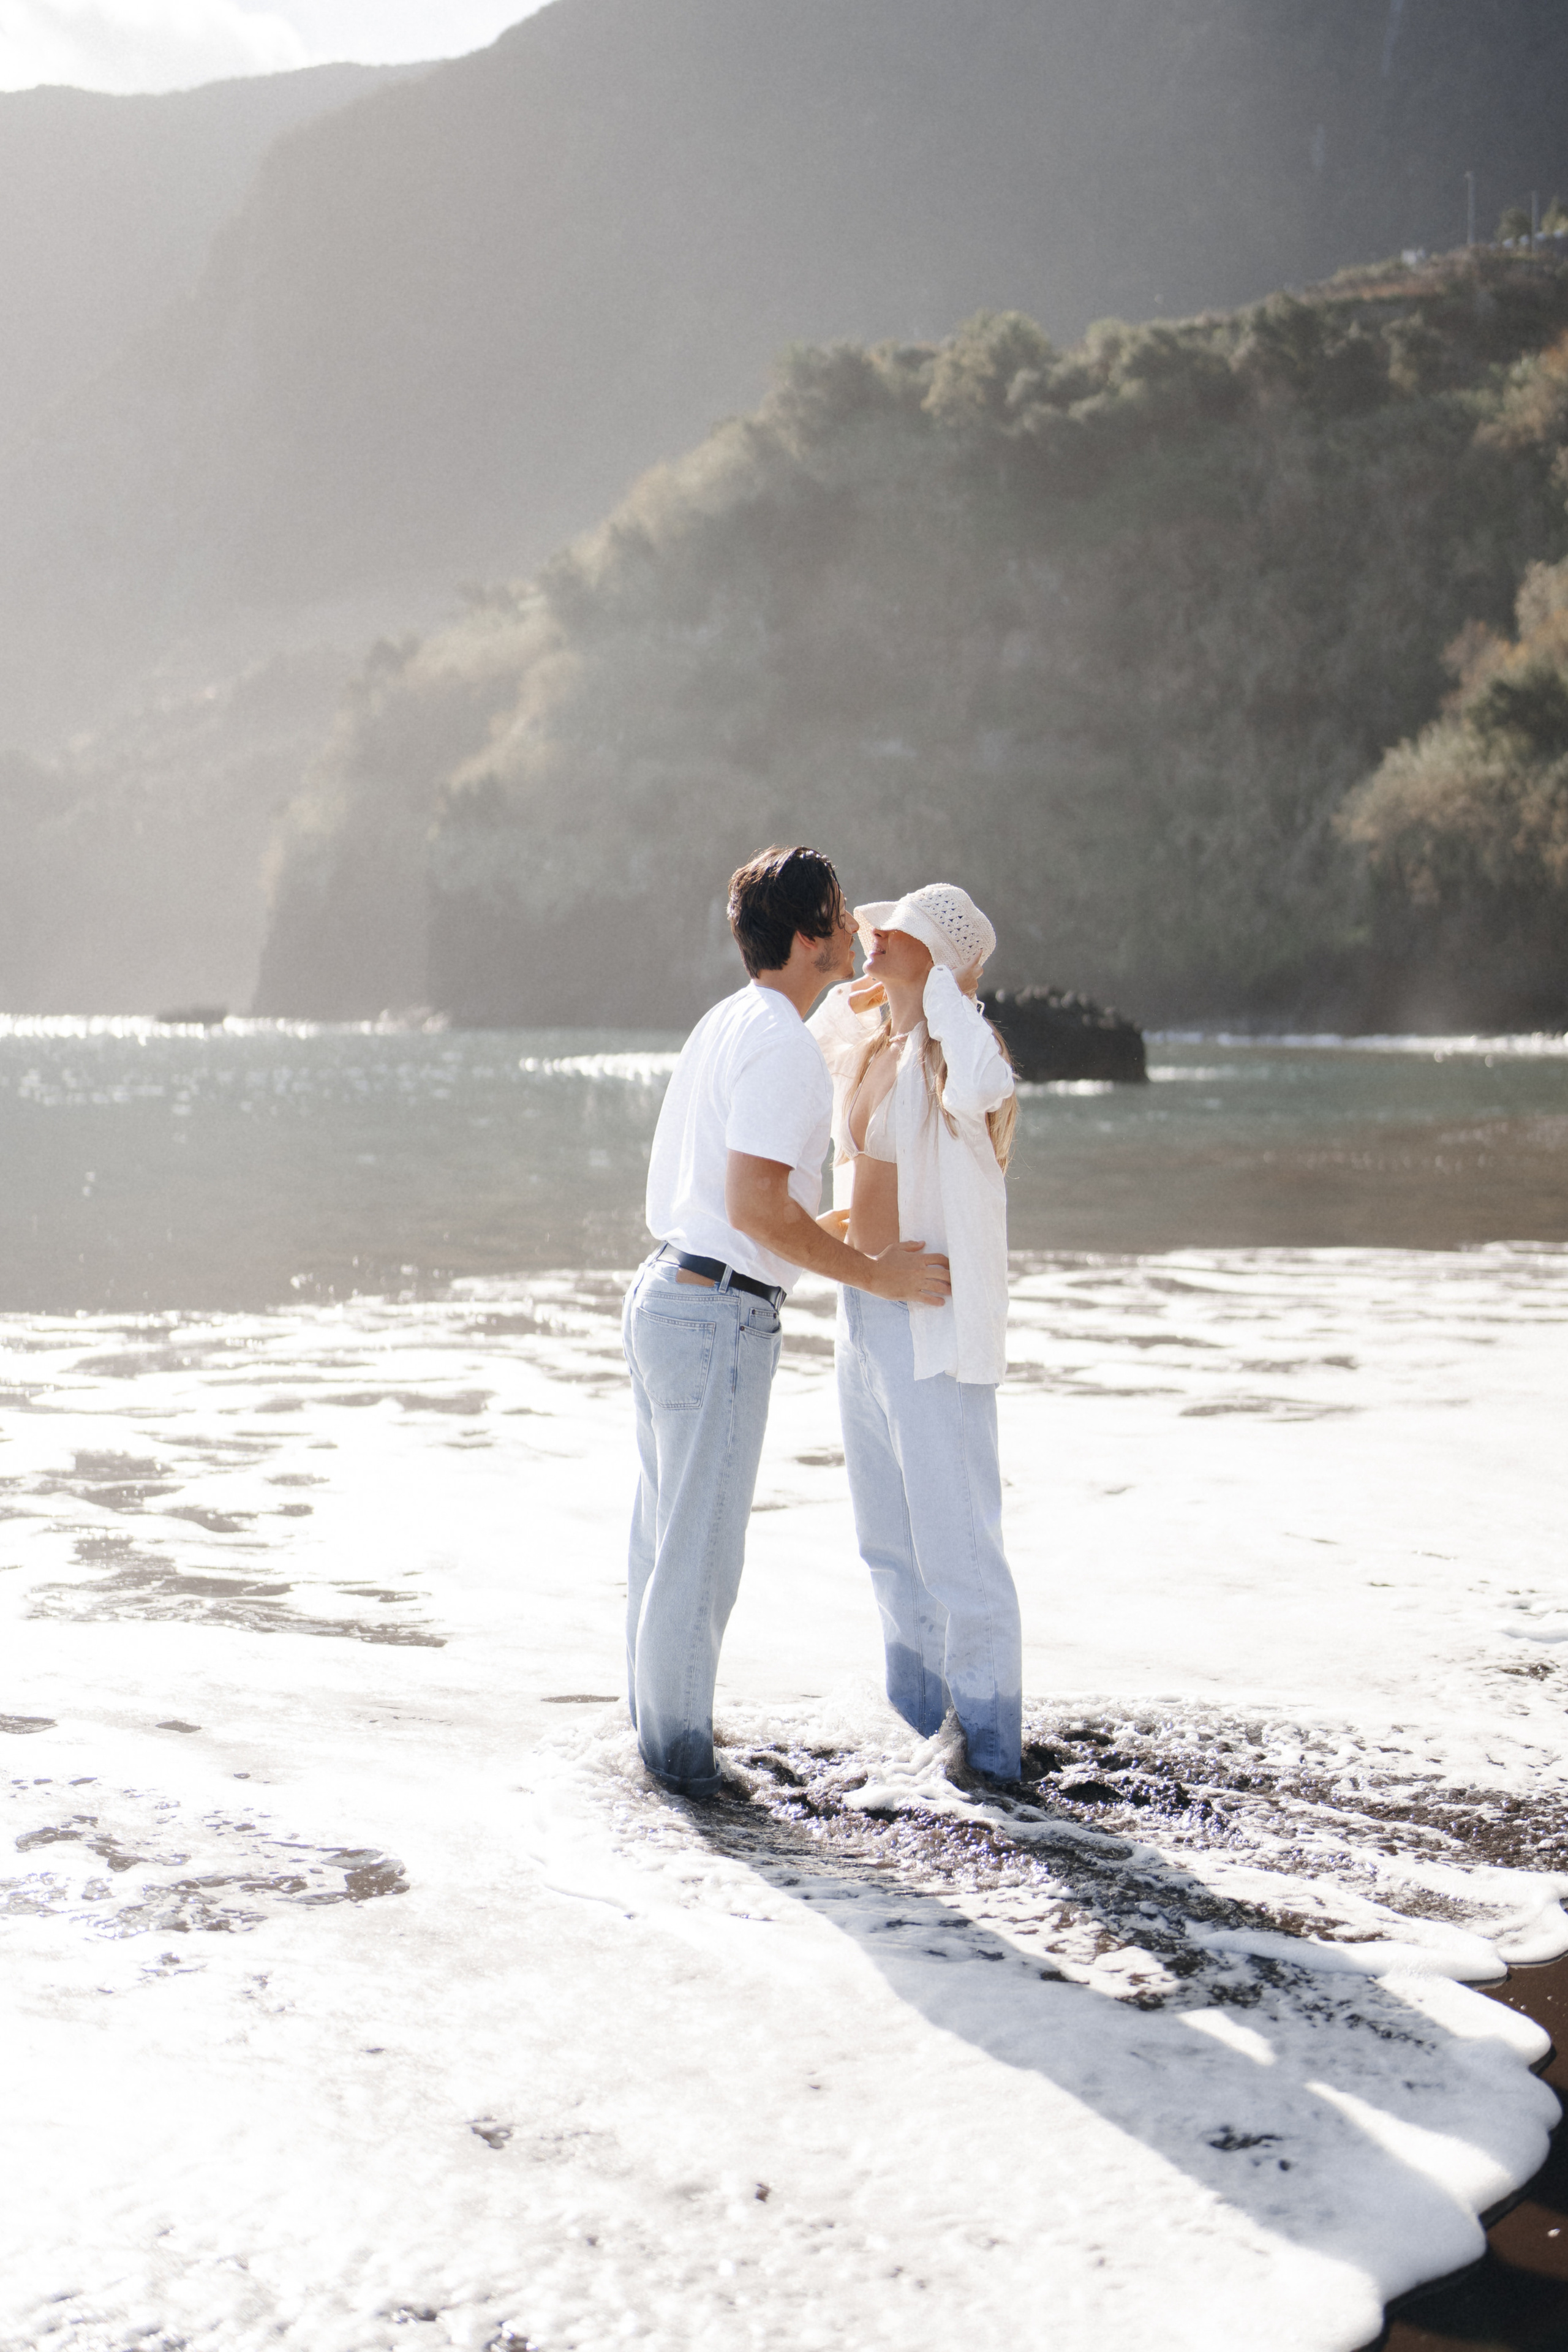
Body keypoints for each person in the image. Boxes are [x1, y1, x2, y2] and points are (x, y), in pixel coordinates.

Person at [622, 845, 951, 1799]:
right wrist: (879, 1277)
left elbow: (747, 1205)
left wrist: (846, 1234)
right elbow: (760, 1210)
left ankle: (655, 1766)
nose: (856, 930)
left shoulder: (731, 1022)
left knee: (661, 1551)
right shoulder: (783, 1045)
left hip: (671, 1293)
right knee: (698, 1567)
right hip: (716, 1315)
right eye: (843, 915)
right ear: (810, 935)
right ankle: (683, 1783)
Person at [807, 884, 1023, 1781]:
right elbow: (815, 1024)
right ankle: (919, 1741)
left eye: (896, 932)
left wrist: (943, 989)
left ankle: (994, 1759)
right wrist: (889, 995)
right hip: (862, 1312)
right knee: (888, 1547)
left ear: (936, 953)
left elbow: (987, 1084)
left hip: (931, 1318)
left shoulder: (953, 1055)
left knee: (958, 1553)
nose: (871, 935)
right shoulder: (873, 1044)